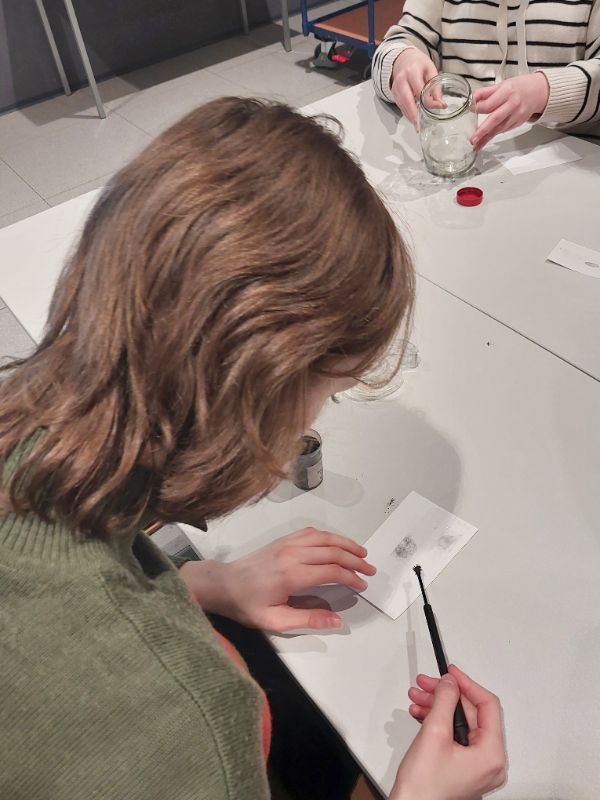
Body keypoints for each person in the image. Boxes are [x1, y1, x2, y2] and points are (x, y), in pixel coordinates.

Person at [0, 97, 506, 800]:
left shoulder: (25, 430)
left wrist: (199, 584)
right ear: (258, 390)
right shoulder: (183, 729)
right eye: (326, 394)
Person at [372, 0, 600, 149]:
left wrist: (547, 91)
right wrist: (400, 60)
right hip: (458, 154)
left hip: (567, 160)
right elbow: (402, 39)